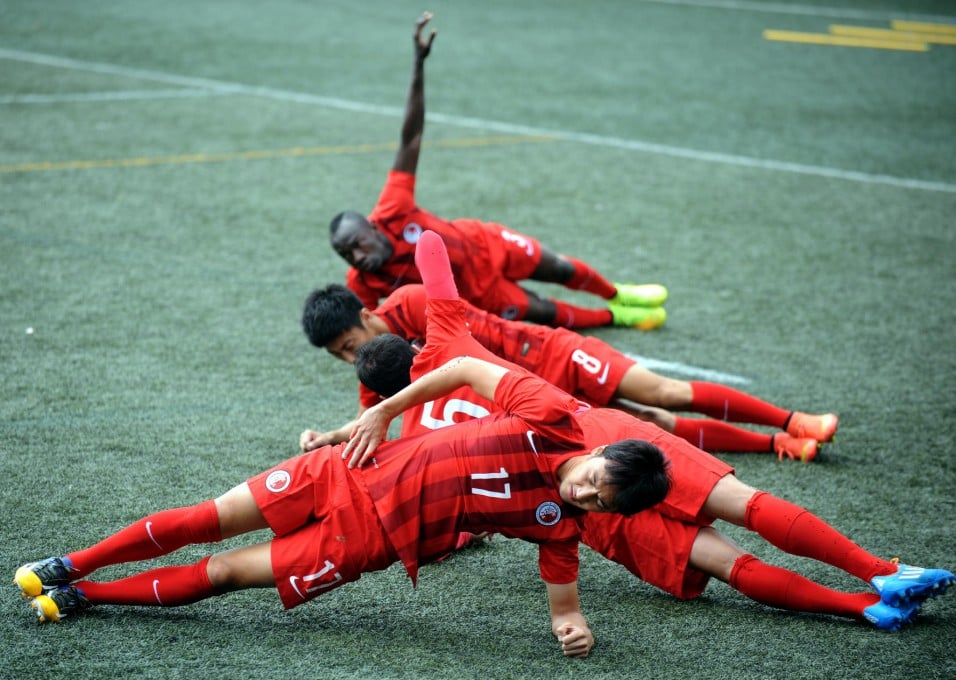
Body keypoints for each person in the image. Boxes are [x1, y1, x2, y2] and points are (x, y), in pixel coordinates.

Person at [345, 230, 954, 633]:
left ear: (377, 390)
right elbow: (430, 251)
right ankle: (879, 570)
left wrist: (357, 432)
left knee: (725, 561)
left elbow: (433, 498)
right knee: (744, 503)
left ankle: (863, 608)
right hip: (598, 440)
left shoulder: (413, 435)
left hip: (579, 507)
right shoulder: (445, 339)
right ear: (410, 347)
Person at [12, 345, 673, 660]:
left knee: (225, 574)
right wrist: (382, 412)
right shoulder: (552, 415)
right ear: (598, 450)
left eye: (601, 501)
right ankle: (72, 563)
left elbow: (564, 601)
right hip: (346, 469)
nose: (585, 492)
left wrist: (571, 628)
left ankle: (84, 596)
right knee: (203, 519)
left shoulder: (560, 527)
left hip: (365, 543)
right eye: (596, 477)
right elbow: (466, 369)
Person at [329, 12, 667, 332]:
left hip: (485, 245)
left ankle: (616, 293)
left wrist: (418, 64)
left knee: (558, 267)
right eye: (346, 255)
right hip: (475, 296)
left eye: (357, 244)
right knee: (542, 311)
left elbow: (411, 137)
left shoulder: (393, 208)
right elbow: (369, 330)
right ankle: (615, 316)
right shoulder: (362, 282)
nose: (357, 257)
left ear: (372, 227)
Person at [300, 281, 837, 462]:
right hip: (533, 395)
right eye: (340, 357)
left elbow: (471, 344)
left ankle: (793, 419)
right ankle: (779, 444)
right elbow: (374, 417)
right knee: (650, 424)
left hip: (548, 353)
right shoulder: (379, 368)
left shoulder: (417, 303)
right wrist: (328, 438)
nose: (351, 360)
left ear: (366, 315)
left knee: (663, 391)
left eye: (349, 346)